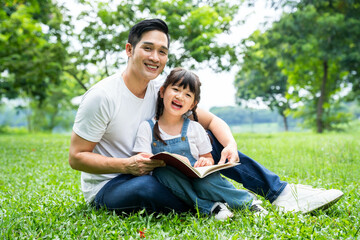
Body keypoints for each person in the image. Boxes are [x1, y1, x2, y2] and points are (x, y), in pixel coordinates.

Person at [68, 18, 343, 215]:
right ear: (130, 50)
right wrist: (126, 166)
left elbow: (211, 122)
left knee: (208, 140)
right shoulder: (102, 96)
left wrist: (231, 146)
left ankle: (281, 194)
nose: (155, 57)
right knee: (148, 188)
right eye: (147, 48)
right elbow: (77, 157)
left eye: (162, 52)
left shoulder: (160, 90)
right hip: (112, 184)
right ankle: (212, 208)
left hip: (157, 169)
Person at [133, 67, 268, 220]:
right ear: (163, 92)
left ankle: (248, 202)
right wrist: (169, 158)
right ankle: (212, 208)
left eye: (187, 94)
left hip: (198, 175)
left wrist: (206, 161)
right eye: (176, 89)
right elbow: (142, 159)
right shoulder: (147, 127)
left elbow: (207, 157)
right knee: (163, 173)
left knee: (207, 182)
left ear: (192, 104)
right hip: (172, 179)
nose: (180, 96)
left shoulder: (194, 128)